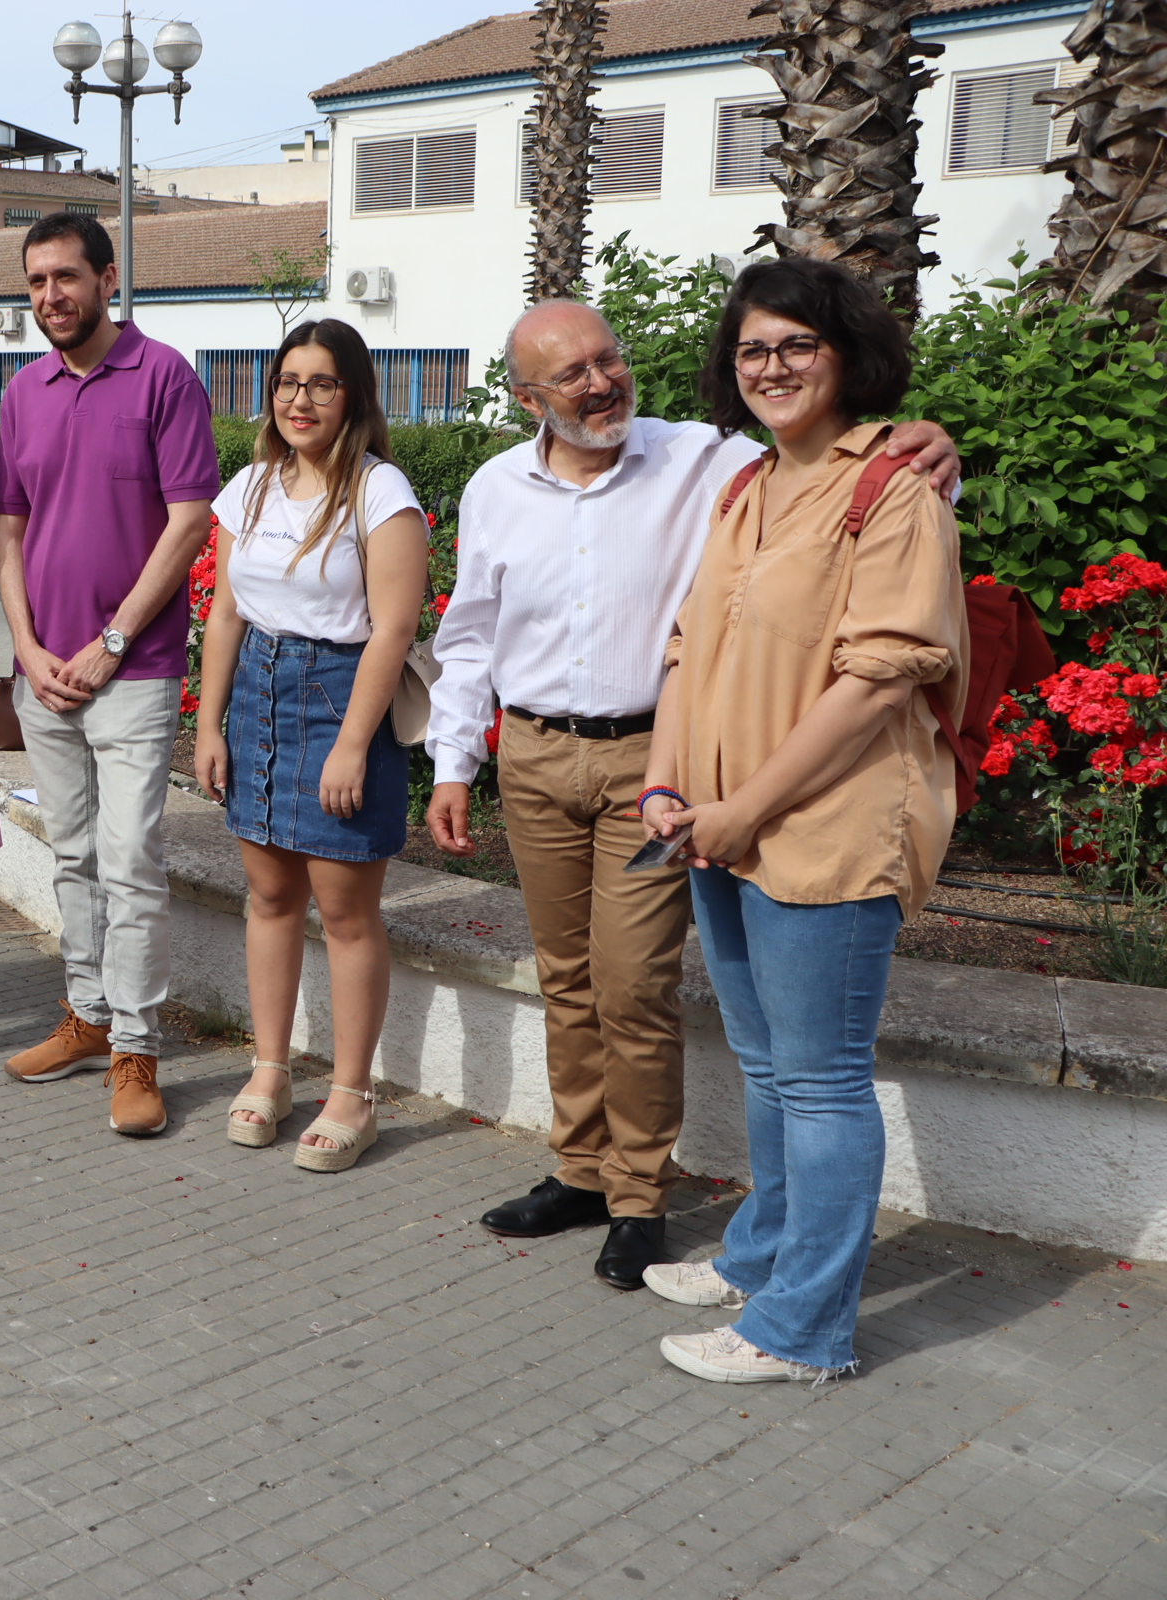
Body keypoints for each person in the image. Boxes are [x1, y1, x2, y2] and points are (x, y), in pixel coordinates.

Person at [423, 301, 958, 1289]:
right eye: (572, 374)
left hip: (651, 765)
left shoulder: (705, 459)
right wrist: (454, 762)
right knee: (567, 975)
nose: (601, 382)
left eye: (608, 358)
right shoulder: (497, 487)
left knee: (633, 985)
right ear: (527, 397)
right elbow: (467, 635)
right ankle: (581, 1170)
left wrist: (934, 443)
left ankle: (636, 1194)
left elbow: (834, 455)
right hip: (534, 759)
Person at [636, 258, 966, 1382]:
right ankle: (765, 1252)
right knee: (766, 1062)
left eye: (796, 344)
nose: (771, 366)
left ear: (846, 354)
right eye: (752, 349)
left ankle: (805, 1329)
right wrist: (671, 787)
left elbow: (882, 678)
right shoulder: (745, 489)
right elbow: (687, 648)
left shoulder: (894, 491)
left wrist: (744, 810)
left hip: (825, 826)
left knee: (821, 1077)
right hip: (719, 825)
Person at [0, 212, 220, 1137]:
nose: (51, 297)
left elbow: (190, 519)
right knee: (74, 854)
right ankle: (86, 1016)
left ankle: (137, 1045)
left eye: (66, 278)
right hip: (44, 675)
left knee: (130, 861)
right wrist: (30, 649)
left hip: (133, 669)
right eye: (37, 282)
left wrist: (112, 640)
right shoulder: (23, 390)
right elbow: (9, 529)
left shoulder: (163, 375)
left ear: (107, 277)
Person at [193, 320, 428, 1172]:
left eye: (322, 383)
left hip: (338, 699)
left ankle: (352, 1093)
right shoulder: (250, 488)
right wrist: (210, 724)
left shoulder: (381, 492)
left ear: (353, 395)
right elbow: (224, 613)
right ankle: (270, 1070)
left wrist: (351, 745)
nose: (300, 398)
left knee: (345, 908)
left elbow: (394, 628)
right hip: (258, 689)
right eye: (289, 381)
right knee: (268, 896)